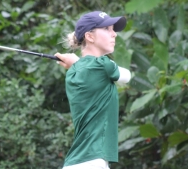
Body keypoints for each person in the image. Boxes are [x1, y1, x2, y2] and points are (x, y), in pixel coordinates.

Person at [55, 11, 131, 169]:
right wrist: (78, 62)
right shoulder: (103, 64)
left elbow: (86, 68)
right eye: (107, 29)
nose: (114, 34)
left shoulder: (73, 73)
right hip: (93, 162)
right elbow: (127, 76)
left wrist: (78, 63)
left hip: (76, 162)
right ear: (90, 36)